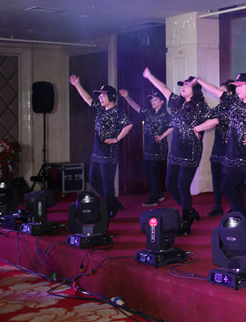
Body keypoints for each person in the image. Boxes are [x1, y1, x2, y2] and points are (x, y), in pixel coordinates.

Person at [142, 68, 219, 235]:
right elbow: (163, 88)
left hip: (191, 152)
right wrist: (150, 76)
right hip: (176, 151)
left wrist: (198, 128)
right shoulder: (176, 102)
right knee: (170, 185)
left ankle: (185, 221)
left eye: (186, 85)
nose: (183, 87)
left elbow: (215, 120)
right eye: (182, 85)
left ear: (194, 89)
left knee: (183, 186)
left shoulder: (200, 106)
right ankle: (190, 211)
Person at [196, 73, 246, 226]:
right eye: (236, 87)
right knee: (237, 187)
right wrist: (199, 81)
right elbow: (215, 91)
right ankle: (239, 218)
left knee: (226, 186)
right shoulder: (235, 102)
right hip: (231, 152)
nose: (237, 89)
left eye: (240, 86)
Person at [69, 76, 133, 218]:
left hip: (109, 152)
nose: (100, 98)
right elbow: (87, 99)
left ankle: (109, 207)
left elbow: (128, 124)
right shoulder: (100, 110)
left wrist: (117, 139)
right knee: (93, 181)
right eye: (100, 96)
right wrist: (77, 84)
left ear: (112, 96)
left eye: (103, 95)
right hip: (97, 151)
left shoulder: (117, 112)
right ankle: (113, 202)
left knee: (107, 183)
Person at [119, 89, 173, 207]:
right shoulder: (148, 113)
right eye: (151, 100)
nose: (152, 102)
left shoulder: (165, 115)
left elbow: (173, 126)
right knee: (146, 171)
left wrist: (162, 135)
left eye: (155, 100)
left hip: (159, 148)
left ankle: (153, 198)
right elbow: (137, 108)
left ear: (162, 101)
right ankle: (158, 193)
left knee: (154, 174)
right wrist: (127, 97)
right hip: (148, 148)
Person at [207, 80, 235, 217]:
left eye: (221, 91)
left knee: (230, 181)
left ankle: (235, 207)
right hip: (218, 148)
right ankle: (217, 206)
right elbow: (207, 121)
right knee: (216, 178)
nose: (218, 93)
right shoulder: (217, 109)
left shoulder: (237, 108)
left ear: (230, 93)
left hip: (231, 150)